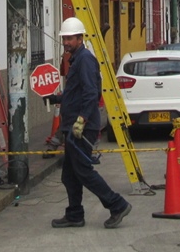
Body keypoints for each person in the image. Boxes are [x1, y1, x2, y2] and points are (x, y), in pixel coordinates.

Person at [51, 17, 131, 229]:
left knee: (83, 171)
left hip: (82, 128)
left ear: (80, 38)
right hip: (74, 125)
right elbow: (75, 93)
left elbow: (91, 93)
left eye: (70, 38)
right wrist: (57, 99)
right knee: (70, 175)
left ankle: (117, 204)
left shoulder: (85, 59)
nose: (66, 42)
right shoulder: (77, 58)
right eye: (64, 38)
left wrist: (81, 121)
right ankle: (75, 214)